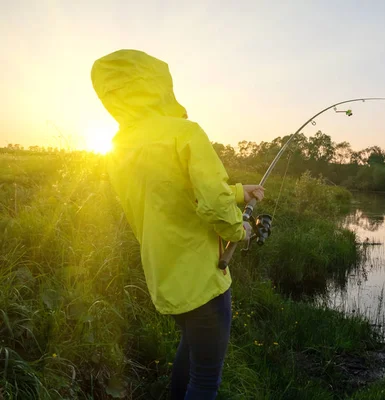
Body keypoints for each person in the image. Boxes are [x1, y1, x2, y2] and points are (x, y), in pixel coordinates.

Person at [91, 49, 264, 400]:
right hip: (203, 281)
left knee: (190, 353)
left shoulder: (119, 147)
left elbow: (170, 193)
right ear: (158, 84)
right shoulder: (185, 132)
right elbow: (211, 204)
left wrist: (237, 193)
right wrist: (240, 231)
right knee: (205, 379)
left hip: (165, 278)